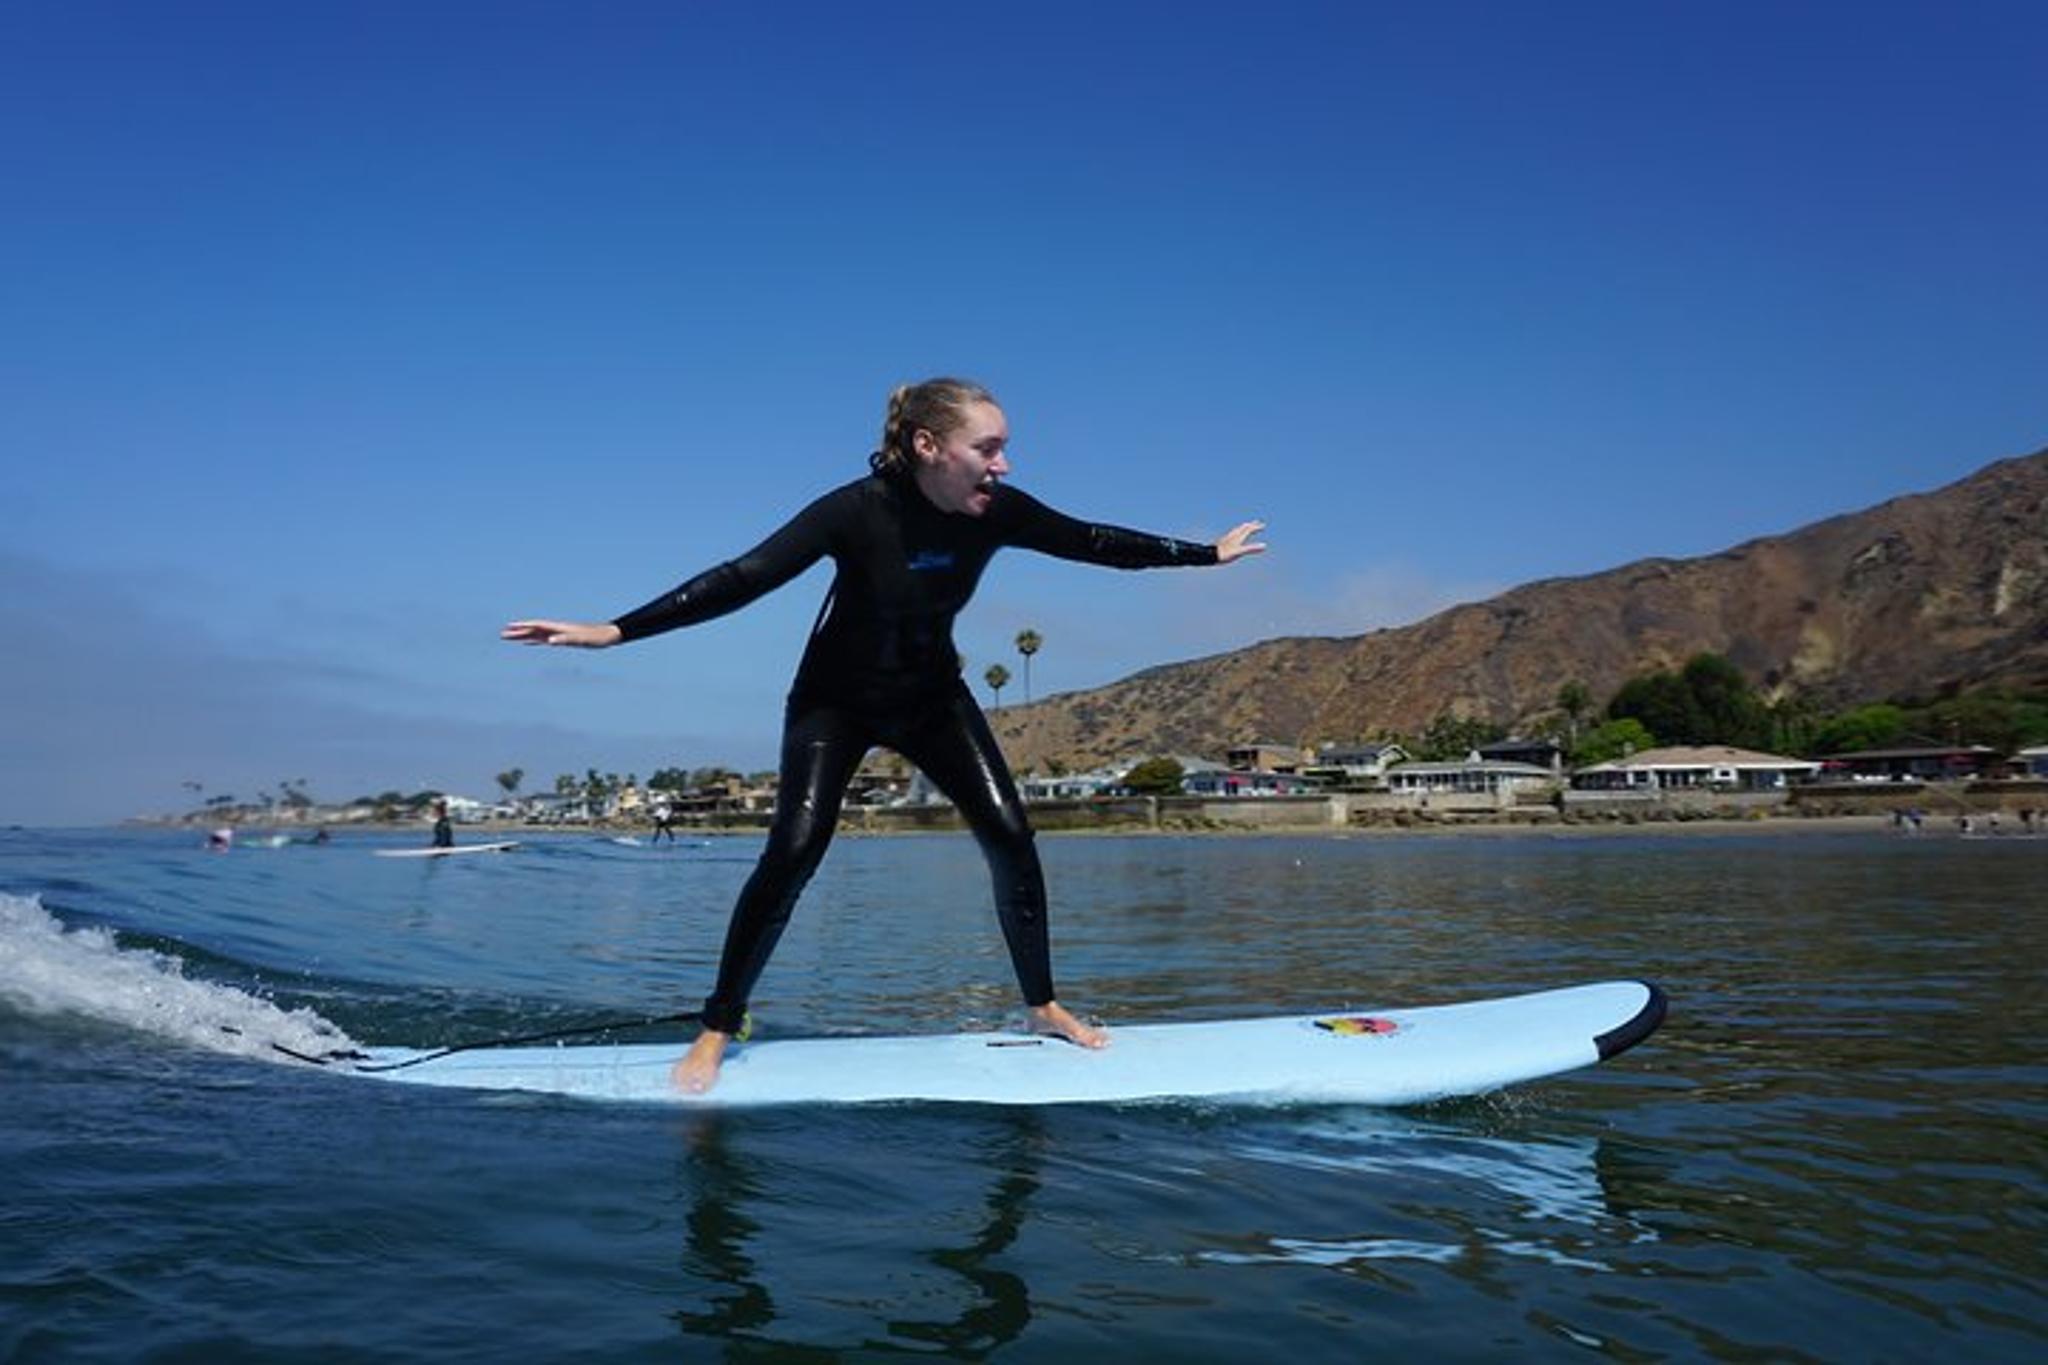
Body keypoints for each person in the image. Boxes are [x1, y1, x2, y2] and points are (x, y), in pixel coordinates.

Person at [504, 377, 1265, 1093]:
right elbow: (745, 576)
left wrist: (1205, 554)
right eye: (988, 448)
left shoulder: (997, 510)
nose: (1004, 464)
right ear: (930, 445)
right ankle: (716, 1024)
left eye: (1004, 448)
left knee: (1010, 834)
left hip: (933, 699)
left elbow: (1094, 540)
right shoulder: (854, 510)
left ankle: (1042, 1006)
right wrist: (614, 631)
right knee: (795, 848)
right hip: (833, 705)